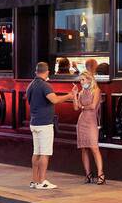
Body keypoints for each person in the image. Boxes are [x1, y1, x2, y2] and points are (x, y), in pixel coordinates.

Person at [26, 62, 72, 190]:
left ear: (36, 71)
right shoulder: (45, 85)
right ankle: (42, 181)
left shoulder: (30, 85)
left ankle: (34, 181)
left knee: (36, 153)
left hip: (34, 123)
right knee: (45, 153)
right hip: (44, 124)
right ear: (46, 72)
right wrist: (69, 96)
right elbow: (55, 100)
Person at [73, 70, 105, 184]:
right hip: (81, 121)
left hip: (91, 121)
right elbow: (76, 108)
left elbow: (92, 106)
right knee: (84, 148)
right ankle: (88, 175)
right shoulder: (81, 92)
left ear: (89, 80)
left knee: (94, 148)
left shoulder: (96, 90)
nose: (81, 82)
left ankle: (101, 174)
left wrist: (82, 106)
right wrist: (74, 95)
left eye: (83, 80)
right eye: (80, 80)